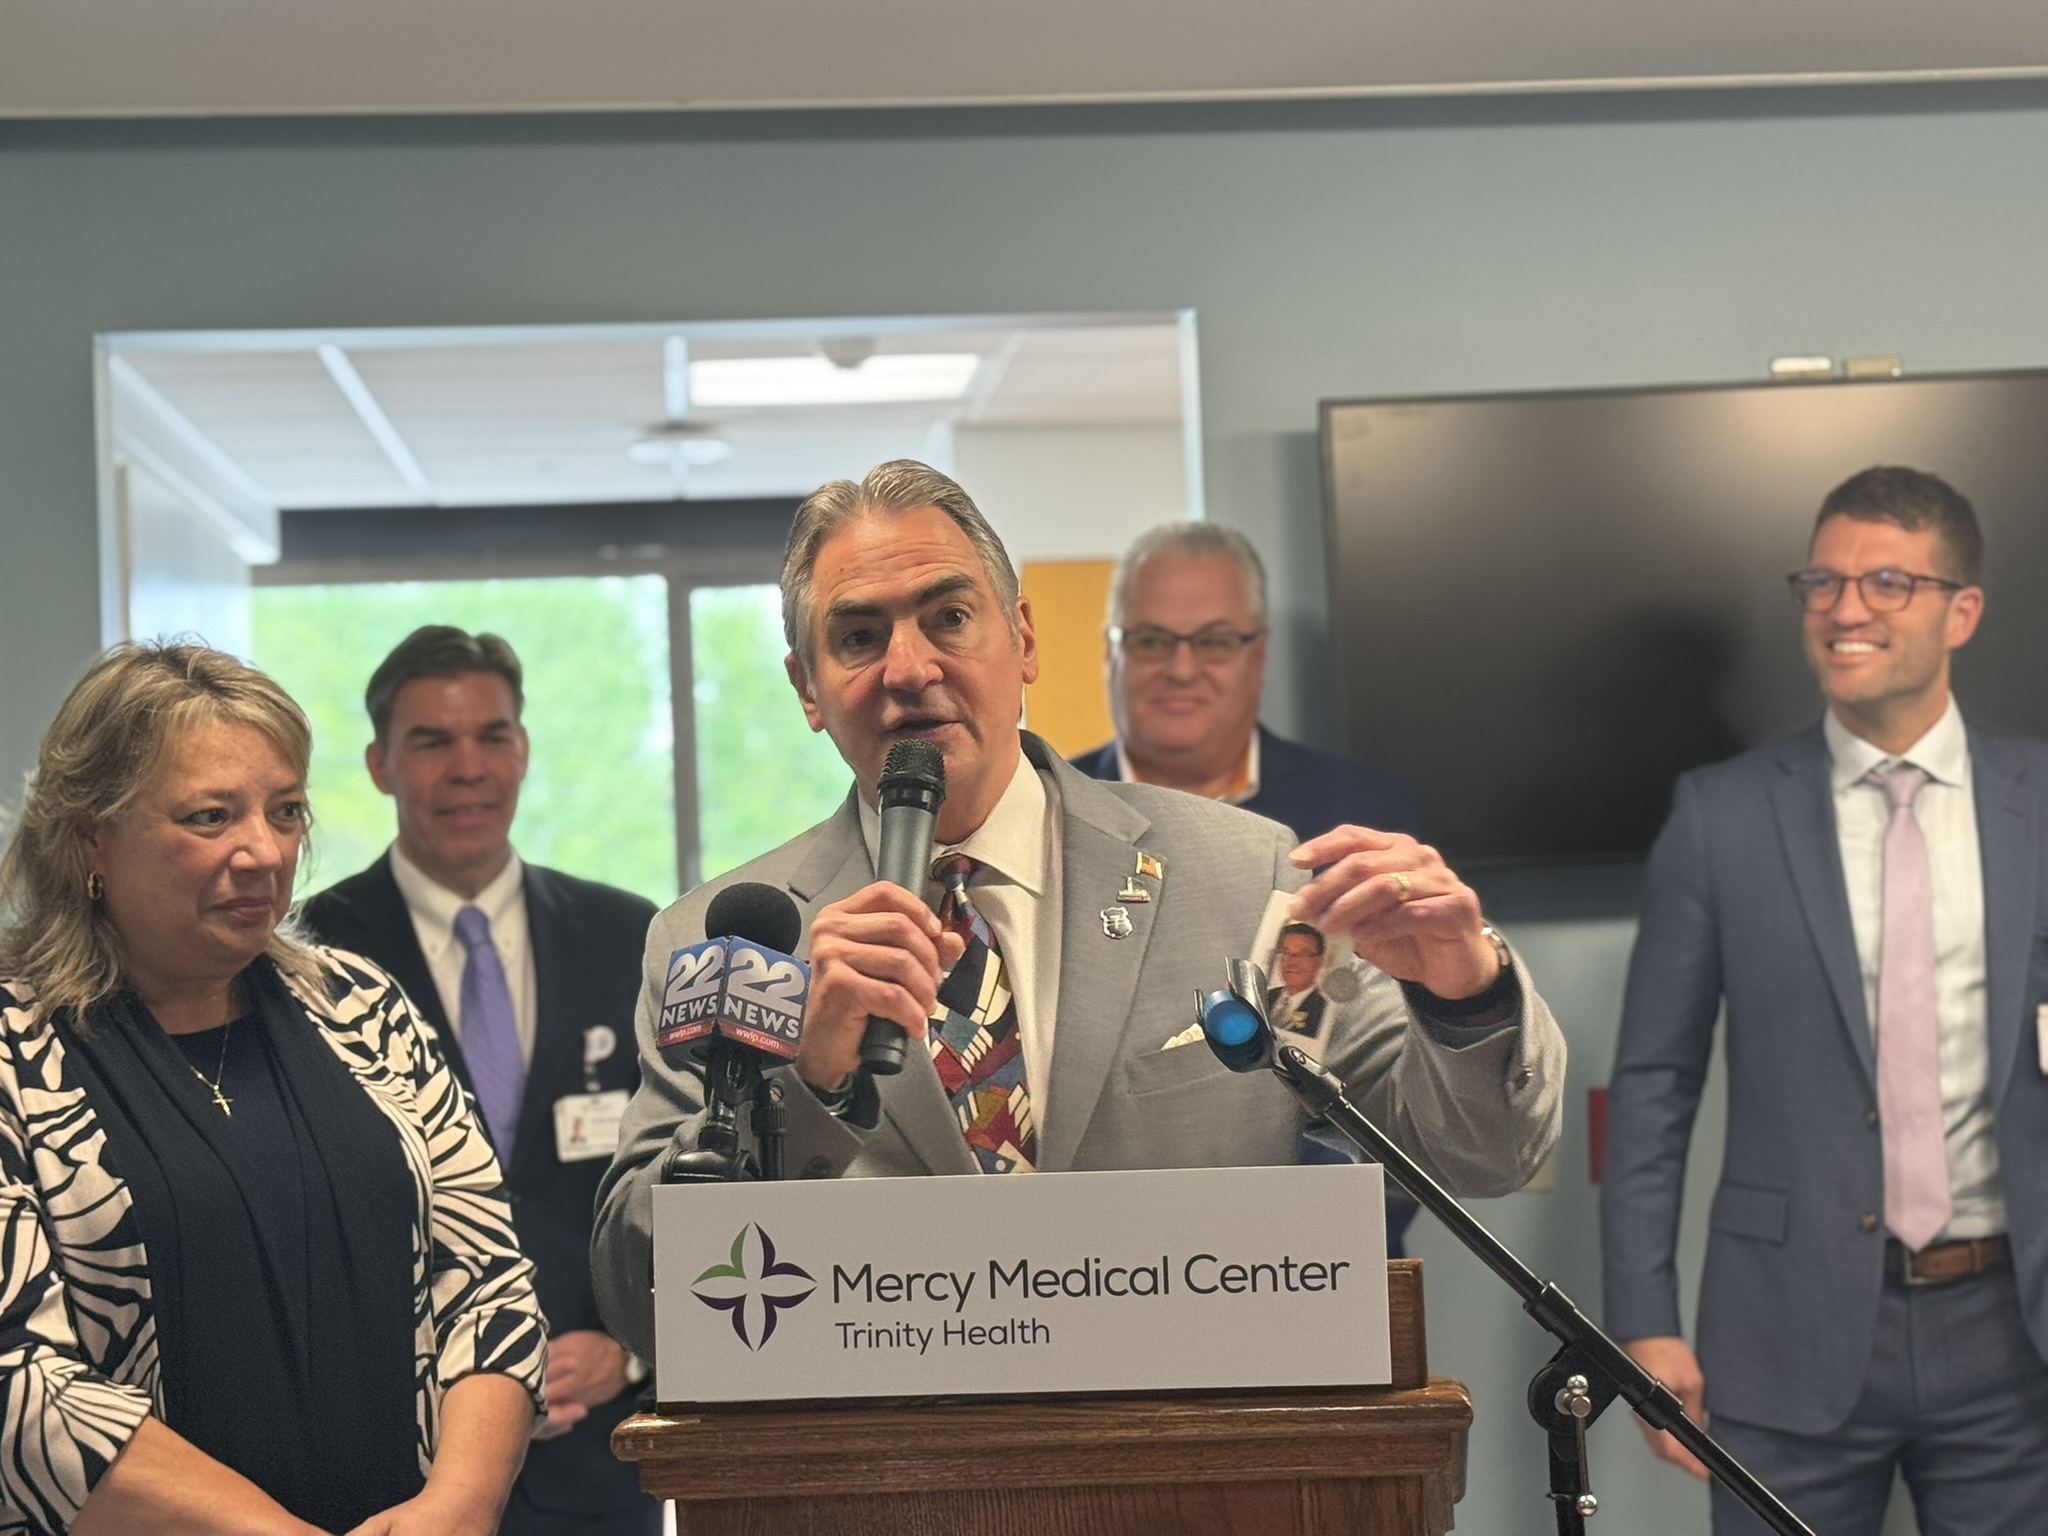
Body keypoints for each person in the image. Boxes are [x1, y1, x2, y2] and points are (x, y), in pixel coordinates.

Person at [593, 459, 1565, 1360]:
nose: (909, 667)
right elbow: (646, 1300)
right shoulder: (723, 942)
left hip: (1199, 1447)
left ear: (1021, 640)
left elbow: (1483, 1152)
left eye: (948, 617)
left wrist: (1464, 993)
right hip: (890, 1459)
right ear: (808, 689)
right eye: (857, 638)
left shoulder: (1247, 879)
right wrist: (806, 1080)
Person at [0, 642, 544, 1536]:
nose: (264, 852)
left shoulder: (360, 1007)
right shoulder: (15, 1053)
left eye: (285, 811)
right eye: (211, 817)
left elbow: (487, 1281)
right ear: (91, 835)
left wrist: (457, 1506)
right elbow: (19, 1380)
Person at [1601, 467, 2048, 1535]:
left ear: (1960, 611)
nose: (1846, 609)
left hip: (2011, 1333)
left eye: (1887, 581)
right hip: (1780, 1328)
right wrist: (1642, 1319)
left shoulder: (2038, 803)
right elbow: (1654, 1083)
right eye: (1824, 582)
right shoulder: (1718, 816)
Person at [298, 627, 660, 1536]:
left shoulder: (632, 937)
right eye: (432, 742)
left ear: (523, 750)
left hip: (598, 1468)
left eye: (492, 737)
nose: (468, 768)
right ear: (380, 765)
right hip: (394, 1472)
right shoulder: (303, 958)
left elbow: (685, 1172)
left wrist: (635, 1352)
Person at [1071, 520, 1427, 1251]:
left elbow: (1410, 1081)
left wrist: (1334, 1235)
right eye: (1150, 640)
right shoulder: (1049, 815)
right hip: (1101, 1256)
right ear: (1110, 653)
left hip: (1322, 1254)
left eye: (1212, 640)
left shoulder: (1365, 815)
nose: (1180, 668)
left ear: (1257, 654)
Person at [1267, 921, 1330, 1037]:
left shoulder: (1324, 1010)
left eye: (1303, 954)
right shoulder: (1263, 996)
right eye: (1286, 953)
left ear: (1320, 961)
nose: (1292, 962)